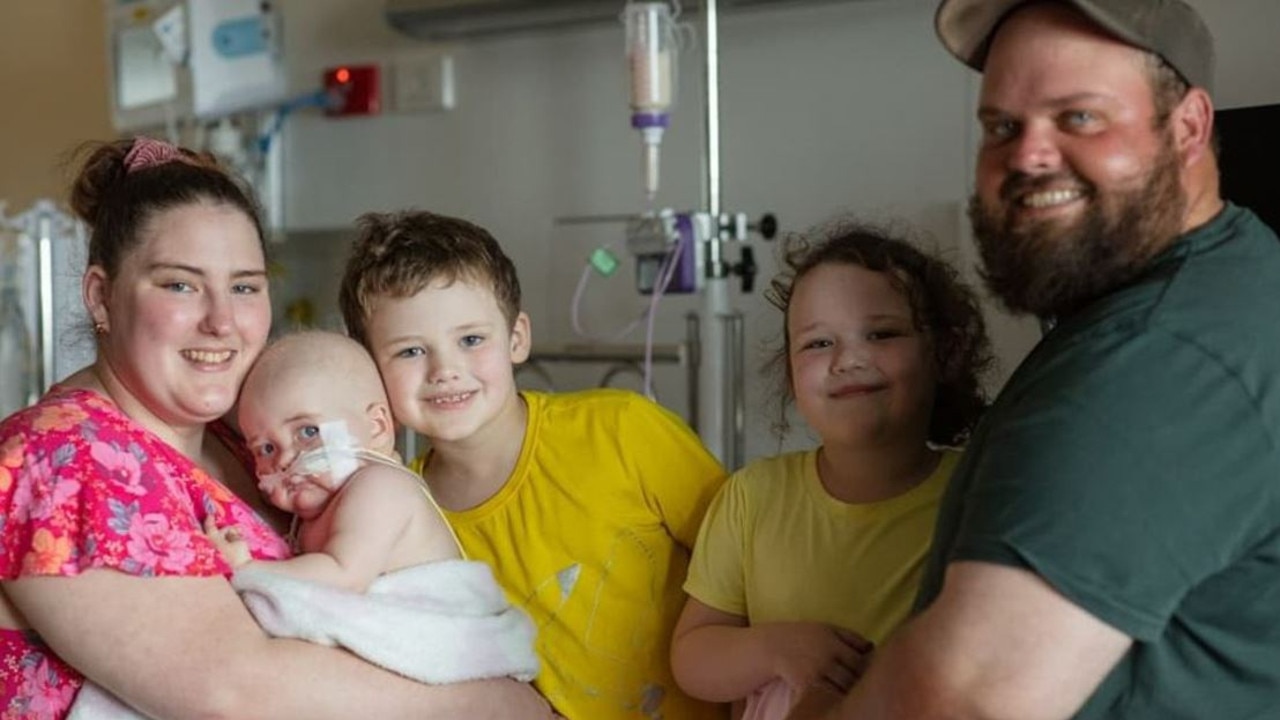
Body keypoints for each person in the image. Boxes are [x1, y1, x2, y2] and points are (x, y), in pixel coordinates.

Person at [787, 1, 1280, 719]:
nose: (1027, 155)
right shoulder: (1222, 278)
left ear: (1189, 128)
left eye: (1079, 117)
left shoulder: (1154, 360)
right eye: (1002, 127)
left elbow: (961, 702)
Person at [0, 137, 554, 719]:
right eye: (180, 285)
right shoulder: (58, 459)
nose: (221, 321)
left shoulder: (245, 438)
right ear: (100, 296)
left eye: (244, 286)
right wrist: (502, 706)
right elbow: (238, 692)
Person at [338, 209, 730, 720]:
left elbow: (749, 570)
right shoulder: (394, 516)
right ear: (369, 369)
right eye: (411, 351)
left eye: (471, 340)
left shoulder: (623, 432)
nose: (445, 370)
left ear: (517, 337)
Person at [671, 223, 994, 720]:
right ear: (791, 373)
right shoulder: (753, 497)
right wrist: (774, 649)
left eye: (881, 334)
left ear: (942, 353)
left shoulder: (978, 496)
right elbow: (692, 658)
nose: (847, 359)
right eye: (818, 343)